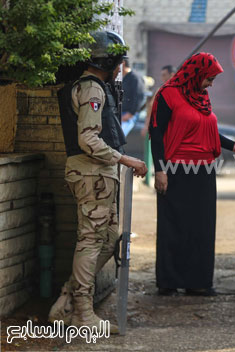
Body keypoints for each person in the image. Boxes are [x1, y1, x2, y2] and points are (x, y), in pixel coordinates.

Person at [48, 31, 148, 332]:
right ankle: (82, 313)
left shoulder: (93, 86)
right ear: (108, 61)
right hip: (91, 173)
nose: (120, 68)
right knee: (91, 240)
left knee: (107, 239)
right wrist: (126, 160)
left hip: (98, 175)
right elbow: (88, 139)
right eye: (118, 62)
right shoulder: (92, 90)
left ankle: (68, 300)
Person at [149, 53, 235, 296]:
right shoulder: (167, 94)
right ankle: (169, 282)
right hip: (175, 170)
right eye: (209, 79)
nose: (211, 84)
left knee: (201, 227)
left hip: (203, 171)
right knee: (173, 227)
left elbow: (209, 133)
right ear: (196, 74)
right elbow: (156, 134)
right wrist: (159, 170)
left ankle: (198, 282)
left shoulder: (200, 96)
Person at [141, 65, 176, 137]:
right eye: (162, 75)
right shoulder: (161, 90)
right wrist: (147, 125)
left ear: (172, 75)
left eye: (164, 75)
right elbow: (151, 106)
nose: (162, 78)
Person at [121, 58, 145, 136]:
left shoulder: (135, 78)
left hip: (129, 115)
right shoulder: (123, 78)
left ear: (123, 63)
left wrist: (131, 114)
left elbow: (139, 97)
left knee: (118, 137)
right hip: (121, 114)